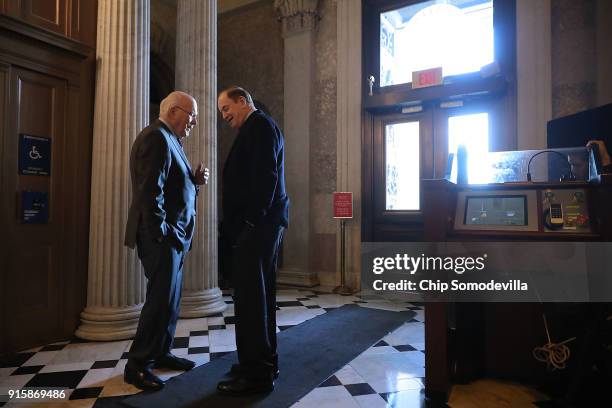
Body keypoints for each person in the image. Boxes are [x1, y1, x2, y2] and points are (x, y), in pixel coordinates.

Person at [123, 91, 209, 391]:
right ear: (173, 111)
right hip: (162, 237)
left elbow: (172, 186)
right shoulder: (156, 138)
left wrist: (194, 182)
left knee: (170, 301)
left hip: (173, 236)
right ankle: (138, 367)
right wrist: (164, 232)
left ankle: (160, 353)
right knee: (159, 302)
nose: (195, 121)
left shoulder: (170, 139)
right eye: (191, 114)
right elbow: (150, 192)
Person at [216, 86, 289, 395]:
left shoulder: (258, 125)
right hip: (260, 226)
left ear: (243, 101)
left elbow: (266, 176)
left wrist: (249, 221)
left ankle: (256, 375)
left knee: (250, 301)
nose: (224, 115)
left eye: (226, 108)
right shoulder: (258, 127)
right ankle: (260, 363)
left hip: (257, 227)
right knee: (257, 299)